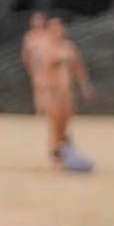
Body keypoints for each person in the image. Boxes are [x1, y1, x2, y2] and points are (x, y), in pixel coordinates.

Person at [21, 12, 93, 171]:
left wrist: (85, 86)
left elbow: (78, 68)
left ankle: (65, 152)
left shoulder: (69, 48)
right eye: (55, 28)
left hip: (66, 92)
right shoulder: (44, 47)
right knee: (55, 124)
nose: (59, 31)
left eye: (61, 27)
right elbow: (39, 67)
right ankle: (57, 156)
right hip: (51, 91)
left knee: (64, 124)